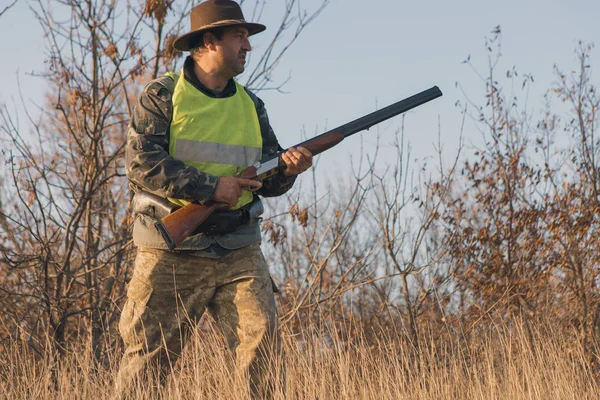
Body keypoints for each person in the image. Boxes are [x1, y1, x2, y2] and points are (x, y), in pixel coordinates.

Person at [115, 0, 312, 397]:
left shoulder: (251, 105)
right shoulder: (163, 95)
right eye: (239, 36)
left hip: (238, 248)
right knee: (146, 367)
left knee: (262, 353)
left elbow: (267, 177)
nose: (248, 46)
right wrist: (210, 188)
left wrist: (288, 170)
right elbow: (142, 163)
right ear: (209, 41)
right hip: (171, 250)